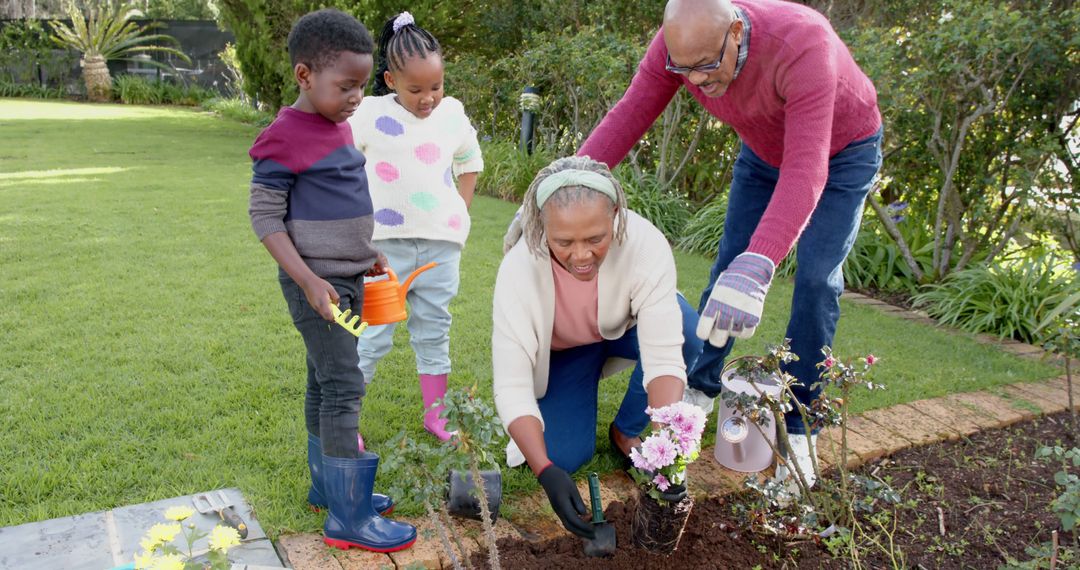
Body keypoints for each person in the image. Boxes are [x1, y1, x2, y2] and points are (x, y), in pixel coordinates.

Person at [578, 0, 883, 494]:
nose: (693, 81)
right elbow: (629, 115)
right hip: (762, 154)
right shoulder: (680, 47)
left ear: (737, 32)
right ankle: (701, 386)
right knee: (726, 269)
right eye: (683, 69)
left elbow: (807, 168)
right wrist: (563, 182)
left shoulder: (804, 44)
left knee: (815, 280)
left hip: (842, 153)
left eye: (705, 65)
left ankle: (800, 432)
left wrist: (761, 261)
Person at [247, 8, 416, 553]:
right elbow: (266, 218)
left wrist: (364, 256)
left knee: (324, 379)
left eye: (362, 86)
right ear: (304, 75)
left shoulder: (335, 125)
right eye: (346, 85)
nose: (355, 97)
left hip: (347, 279)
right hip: (317, 289)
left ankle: (329, 487)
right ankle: (348, 516)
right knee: (344, 383)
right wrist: (310, 281)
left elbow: (339, 199)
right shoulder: (283, 136)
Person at [493, 156, 703, 539]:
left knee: (689, 330)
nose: (581, 255)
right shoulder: (519, 269)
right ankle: (572, 407)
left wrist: (664, 451)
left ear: (616, 217)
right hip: (566, 350)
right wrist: (545, 470)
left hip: (624, 328)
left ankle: (627, 431)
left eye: (595, 239)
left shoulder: (644, 244)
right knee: (565, 456)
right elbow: (511, 384)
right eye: (564, 242)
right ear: (542, 229)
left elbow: (664, 357)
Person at [348, 11, 483, 443]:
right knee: (371, 334)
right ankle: (345, 420)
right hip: (384, 252)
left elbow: (470, 161)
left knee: (434, 329)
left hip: (442, 247)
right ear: (389, 80)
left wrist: (460, 210)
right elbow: (337, 160)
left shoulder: (453, 115)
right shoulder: (368, 114)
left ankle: (436, 416)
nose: (429, 98)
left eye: (437, 86)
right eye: (416, 89)